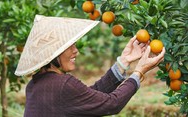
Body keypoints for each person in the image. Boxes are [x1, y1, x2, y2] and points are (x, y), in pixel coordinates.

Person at [15, 15, 165, 117]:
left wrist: (124, 61)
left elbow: (88, 97)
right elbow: (112, 104)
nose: (76, 51)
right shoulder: (63, 85)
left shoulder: (36, 84)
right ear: (54, 52)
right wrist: (139, 72)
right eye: (70, 46)